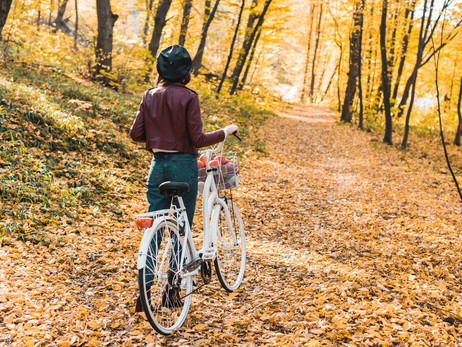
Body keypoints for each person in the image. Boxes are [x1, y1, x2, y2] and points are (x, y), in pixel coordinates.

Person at [129, 45, 238, 310]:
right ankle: (172, 290)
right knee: (181, 227)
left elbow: (135, 134)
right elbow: (198, 139)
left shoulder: (149, 95)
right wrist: (226, 131)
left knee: (154, 227)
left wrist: (158, 133)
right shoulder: (189, 97)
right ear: (186, 71)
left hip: (157, 166)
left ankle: (143, 294)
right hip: (183, 165)